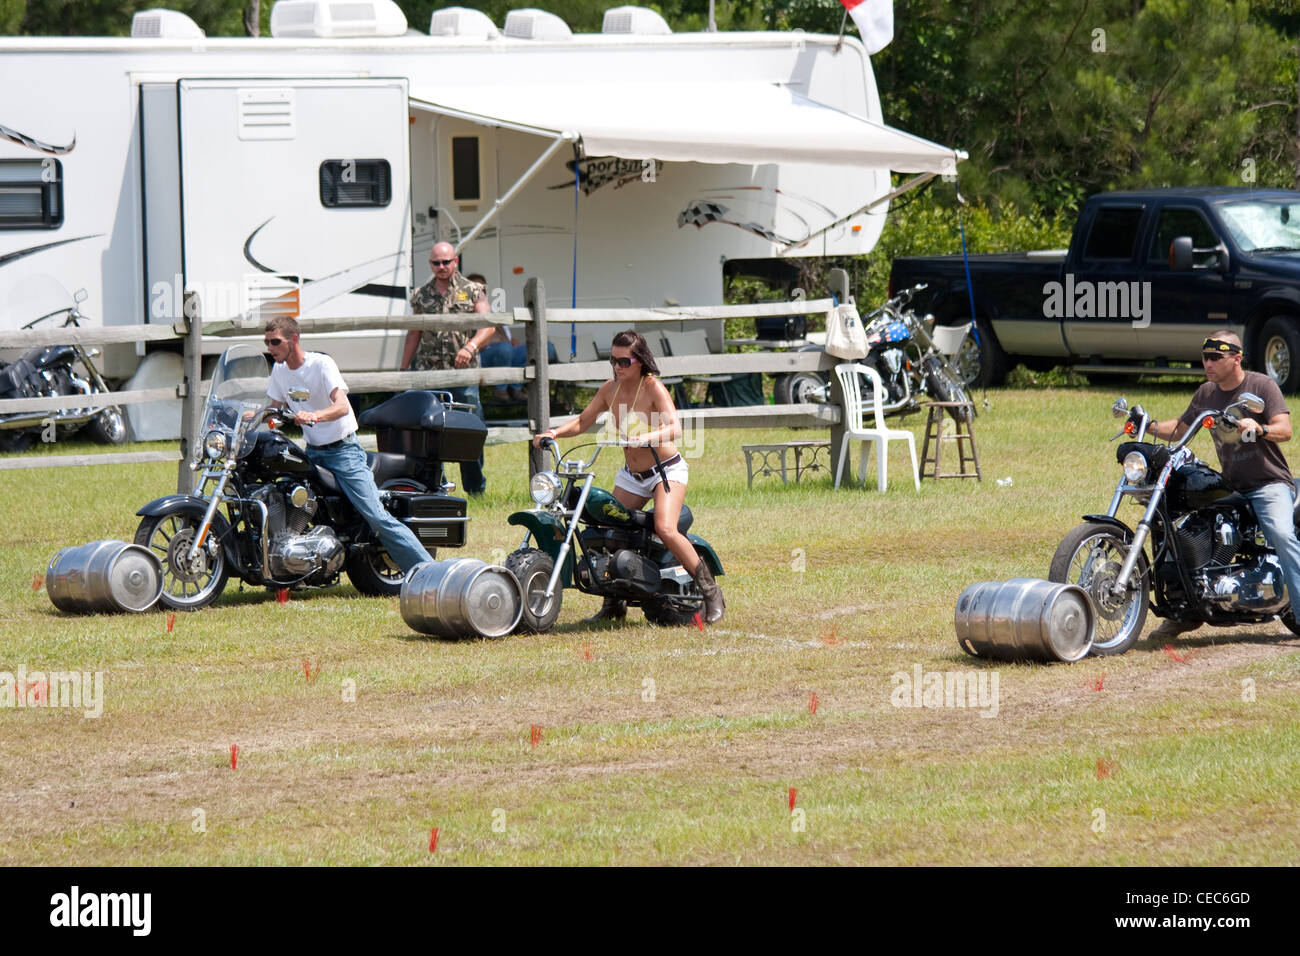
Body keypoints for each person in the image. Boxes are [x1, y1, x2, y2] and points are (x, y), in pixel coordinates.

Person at [531, 329, 724, 624]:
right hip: (631, 476)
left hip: (664, 469)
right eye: (613, 361)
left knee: (666, 528)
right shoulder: (610, 389)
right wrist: (553, 433)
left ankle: (710, 592)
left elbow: (675, 427)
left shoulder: (652, 388)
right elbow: (584, 420)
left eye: (624, 361)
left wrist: (646, 436)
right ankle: (614, 603)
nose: (618, 367)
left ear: (639, 361)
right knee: (609, 526)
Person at [1148, 330, 1300, 637]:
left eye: (1216, 357)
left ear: (1236, 358)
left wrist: (1259, 427)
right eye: (1206, 357)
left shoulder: (1262, 385)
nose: (1208, 363)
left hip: (1268, 483)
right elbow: (1180, 428)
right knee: (1182, 526)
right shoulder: (1207, 393)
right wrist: (1146, 425)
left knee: (1281, 535)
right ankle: (1185, 610)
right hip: (1230, 484)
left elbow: (1285, 429)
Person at [262, 316, 430, 574]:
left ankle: (428, 572)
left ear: (294, 339)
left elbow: (342, 406)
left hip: (343, 452)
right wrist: (247, 416)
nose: (271, 348)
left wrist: (314, 415)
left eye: (275, 342)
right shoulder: (279, 370)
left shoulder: (321, 364)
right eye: (267, 343)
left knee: (377, 517)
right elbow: (273, 409)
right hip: (313, 452)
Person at [401, 243, 497, 496]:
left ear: (456, 261)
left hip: (462, 375)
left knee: (469, 431)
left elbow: (488, 326)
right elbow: (414, 332)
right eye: (436, 263)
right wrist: (402, 371)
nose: (441, 267)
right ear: (430, 264)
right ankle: (436, 488)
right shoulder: (421, 294)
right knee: (430, 434)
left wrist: (470, 347)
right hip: (429, 374)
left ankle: (475, 489)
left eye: (446, 262)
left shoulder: (473, 290)